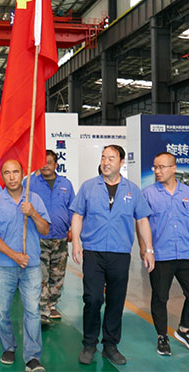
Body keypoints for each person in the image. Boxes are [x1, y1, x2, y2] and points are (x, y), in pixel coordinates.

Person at [70, 144, 155, 366]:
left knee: (116, 300)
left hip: (120, 253)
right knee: (93, 298)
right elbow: (78, 215)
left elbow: (142, 220)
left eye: (111, 158)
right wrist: (76, 242)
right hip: (94, 251)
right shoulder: (89, 187)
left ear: (121, 163)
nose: (105, 162)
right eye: (103, 157)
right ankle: (89, 344)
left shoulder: (132, 190)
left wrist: (148, 249)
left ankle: (110, 345)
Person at [0, 159, 50, 372]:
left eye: (16, 172)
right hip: (4, 266)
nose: (12, 177)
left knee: (33, 311)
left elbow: (45, 229)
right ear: (2, 176)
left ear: (23, 174)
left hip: (31, 266)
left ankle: (32, 357)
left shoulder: (34, 200)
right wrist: (14, 256)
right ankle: (8, 347)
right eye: (7, 173)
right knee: (2, 311)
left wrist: (33, 213)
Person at [141, 152, 189, 356]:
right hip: (161, 254)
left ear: (173, 168)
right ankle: (162, 336)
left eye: (161, 167)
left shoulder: (188, 192)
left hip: (187, 253)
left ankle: (184, 330)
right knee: (160, 297)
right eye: (155, 167)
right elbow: (141, 223)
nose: (157, 171)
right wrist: (146, 249)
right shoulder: (148, 193)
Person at [29, 150, 75, 325]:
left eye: (49, 162)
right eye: (43, 162)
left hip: (60, 238)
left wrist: (72, 229)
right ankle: (42, 309)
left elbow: (72, 208)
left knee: (57, 274)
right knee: (41, 274)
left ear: (56, 165)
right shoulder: (31, 182)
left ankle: (52, 304)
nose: (46, 165)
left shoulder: (66, 184)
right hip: (39, 237)